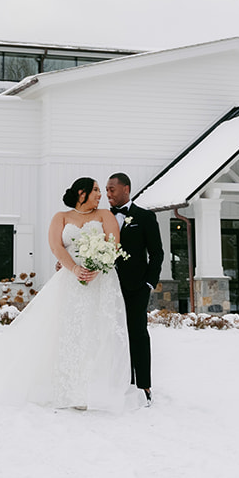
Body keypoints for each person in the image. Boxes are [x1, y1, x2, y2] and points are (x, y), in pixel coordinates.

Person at [0, 177, 133, 411]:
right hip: (70, 280)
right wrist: (74, 268)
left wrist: (96, 265)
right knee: (69, 331)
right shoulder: (61, 217)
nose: (100, 195)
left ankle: (96, 389)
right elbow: (56, 246)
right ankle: (68, 388)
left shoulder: (104, 215)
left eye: (101, 191)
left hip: (101, 280)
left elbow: (113, 244)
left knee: (98, 330)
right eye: (96, 190)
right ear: (81, 193)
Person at [105, 172, 164, 404]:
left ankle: (143, 384)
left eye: (112, 189)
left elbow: (157, 253)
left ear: (126, 189)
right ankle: (119, 380)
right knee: (111, 334)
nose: (108, 193)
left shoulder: (145, 217)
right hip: (107, 286)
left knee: (137, 333)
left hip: (136, 287)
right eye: (106, 189)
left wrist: (149, 283)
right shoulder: (101, 217)